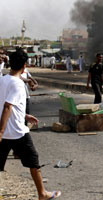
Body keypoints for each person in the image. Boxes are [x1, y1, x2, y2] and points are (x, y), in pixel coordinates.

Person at [0, 48, 61, 199]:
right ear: (24, 65)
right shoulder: (19, 84)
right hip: (16, 132)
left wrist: (25, 115)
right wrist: (1, 132)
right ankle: (42, 194)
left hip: (5, 131)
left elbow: (6, 104)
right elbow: (8, 106)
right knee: (34, 162)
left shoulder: (2, 80)